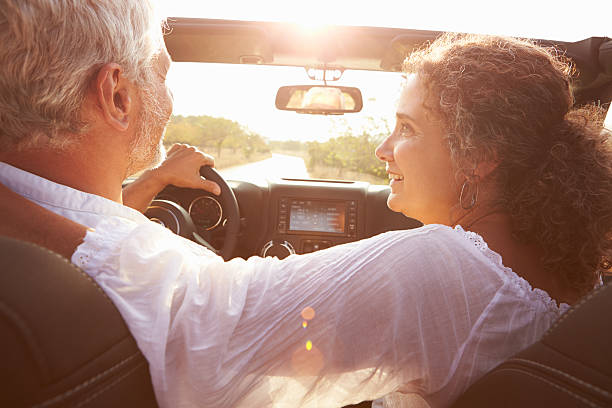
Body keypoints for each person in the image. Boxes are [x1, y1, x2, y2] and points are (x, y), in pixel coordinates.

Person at [1, 1, 611, 407]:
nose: (382, 149)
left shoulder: (449, 267)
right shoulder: (548, 271)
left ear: (479, 155)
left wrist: (12, 204)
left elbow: (212, 322)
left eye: (406, 127)